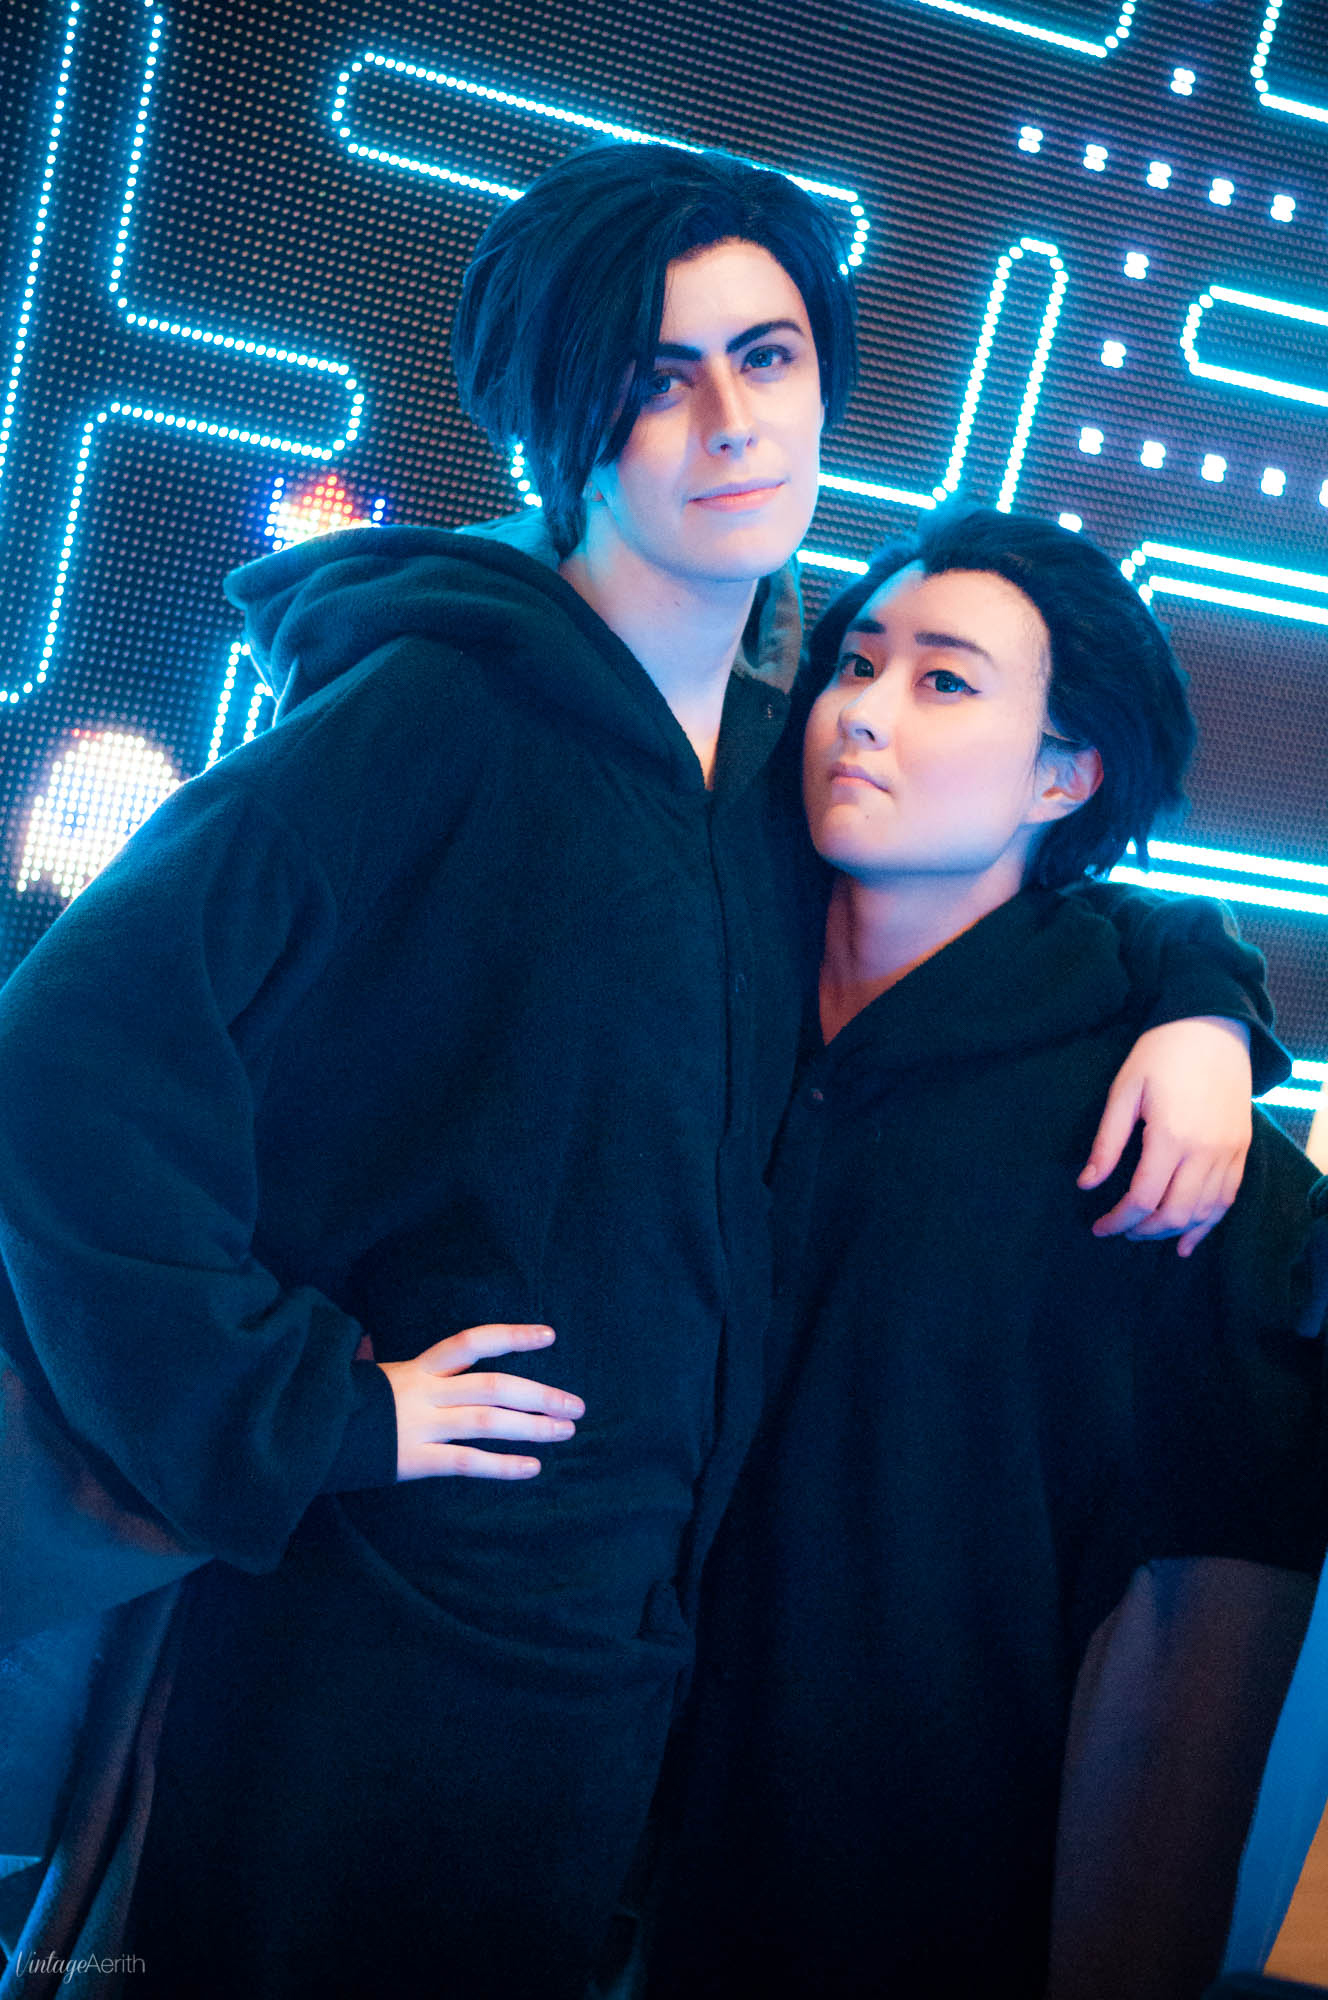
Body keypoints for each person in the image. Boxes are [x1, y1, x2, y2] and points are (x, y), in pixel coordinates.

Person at [0, 148, 1286, 1999]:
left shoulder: (759, 779)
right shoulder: (432, 713)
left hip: (616, 1684)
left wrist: (1206, 1010)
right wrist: (308, 1407)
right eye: (657, 377)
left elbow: (1043, 875)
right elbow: (70, 1064)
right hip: (388, 1649)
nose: (731, 422)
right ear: (567, 425)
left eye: (767, 357)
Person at [648, 503, 1327, 2000]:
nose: (865, 712)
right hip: (565, 1796)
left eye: (945, 680)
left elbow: (1189, 1669)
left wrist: (1208, 1015)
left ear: (1063, 776)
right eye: (857, 663)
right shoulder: (707, 975)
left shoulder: (1144, 1139)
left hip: (883, 1884)